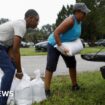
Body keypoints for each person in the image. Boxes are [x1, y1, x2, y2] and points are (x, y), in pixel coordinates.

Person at [44, 2, 90, 97]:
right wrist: (61, 47)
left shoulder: (79, 21)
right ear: (77, 12)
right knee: (51, 66)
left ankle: (74, 85)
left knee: (72, 64)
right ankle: (47, 91)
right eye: (84, 12)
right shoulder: (70, 20)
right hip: (54, 44)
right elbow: (56, 33)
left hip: (66, 45)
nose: (85, 15)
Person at [0, 9, 39, 105]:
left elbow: (12, 47)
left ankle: (10, 94)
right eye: (37, 20)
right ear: (30, 18)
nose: (38, 23)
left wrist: (15, 64)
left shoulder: (21, 25)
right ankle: (2, 102)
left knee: (12, 68)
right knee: (10, 71)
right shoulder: (21, 25)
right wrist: (20, 71)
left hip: (3, 47)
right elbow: (16, 51)